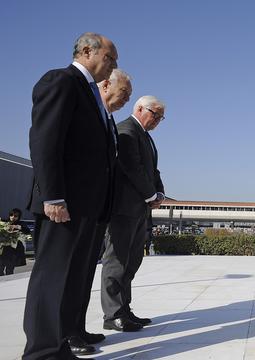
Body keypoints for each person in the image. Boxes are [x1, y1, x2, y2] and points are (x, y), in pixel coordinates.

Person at [23, 32, 118, 360]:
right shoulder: (61, 81)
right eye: (110, 58)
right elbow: (46, 141)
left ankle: (60, 343)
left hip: (86, 205)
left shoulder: (91, 93)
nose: (113, 66)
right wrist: (53, 196)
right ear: (87, 51)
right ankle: (41, 352)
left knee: (70, 279)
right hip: (63, 203)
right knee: (52, 278)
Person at [62, 68, 133, 349]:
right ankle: (64, 334)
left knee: (83, 274)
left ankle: (77, 328)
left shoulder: (108, 121)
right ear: (105, 86)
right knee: (68, 276)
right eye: (124, 92)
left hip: (97, 208)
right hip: (77, 206)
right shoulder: (86, 111)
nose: (126, 98)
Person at [101, 96, 165, 332]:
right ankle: (113, 314)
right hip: (124, 209)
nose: (157, 120)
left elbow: (152, 170)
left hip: (139, 209)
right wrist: (150, 195)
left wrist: (159, 192)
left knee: (131, 262)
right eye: (154, 114)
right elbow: (131, 167)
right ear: (139, 108)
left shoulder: (146, 137)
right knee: (116, 261)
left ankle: (124, 309)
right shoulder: (126, 130)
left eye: (161, 117)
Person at [0, 208, 29, 276]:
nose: (13, 217)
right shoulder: (4, 222)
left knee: (9, 269)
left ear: (18, 217)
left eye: (15, 216)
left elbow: (27, 231)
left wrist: (18, 227)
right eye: (11, 215)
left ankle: (9, 283)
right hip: (3, 250)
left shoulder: (21, 224)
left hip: (13, 251)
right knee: (0, 268)